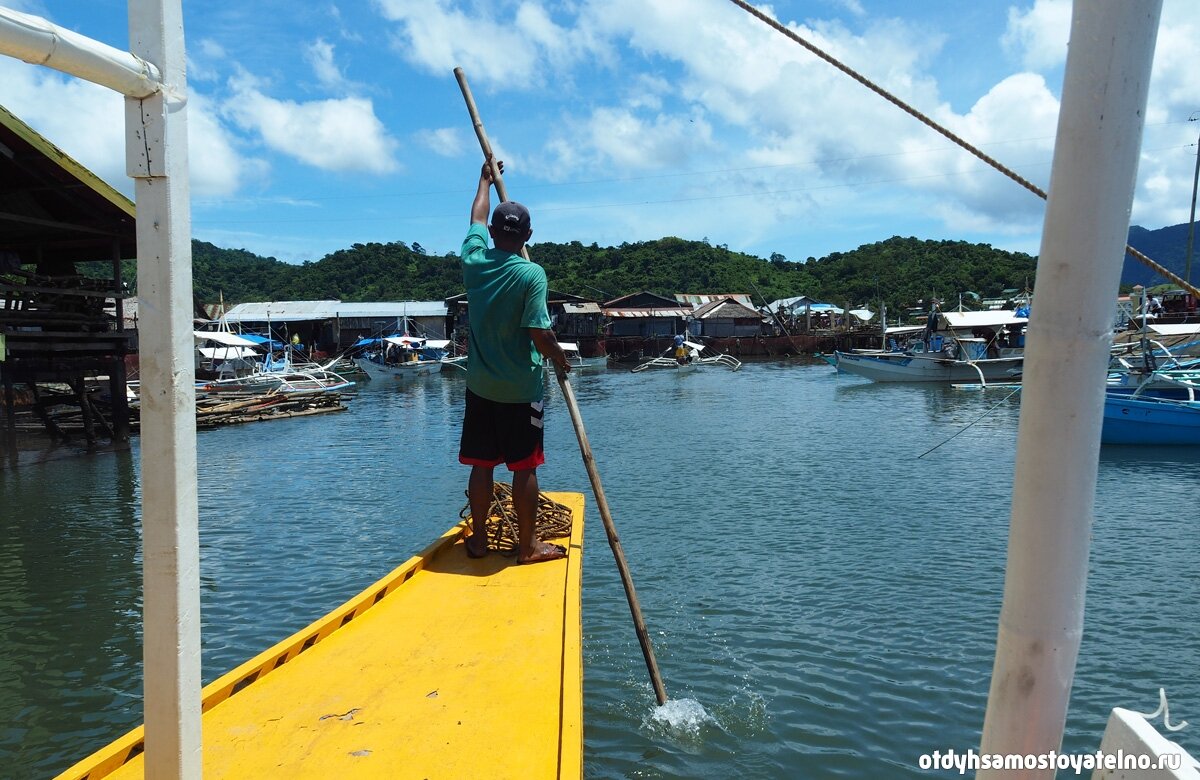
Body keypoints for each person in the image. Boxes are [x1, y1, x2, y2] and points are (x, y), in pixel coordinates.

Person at [459, 159, 572, 564]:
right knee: (524, 468)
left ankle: (480, 541)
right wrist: (560, 358)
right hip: (522, 391)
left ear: (491, 233)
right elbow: (539, 334)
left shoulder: (472, 262)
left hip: (480, 387)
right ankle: (527, 547)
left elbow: (476, 213)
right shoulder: (532, 274)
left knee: (481, 465)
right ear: (528, 236)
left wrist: (484, 180)